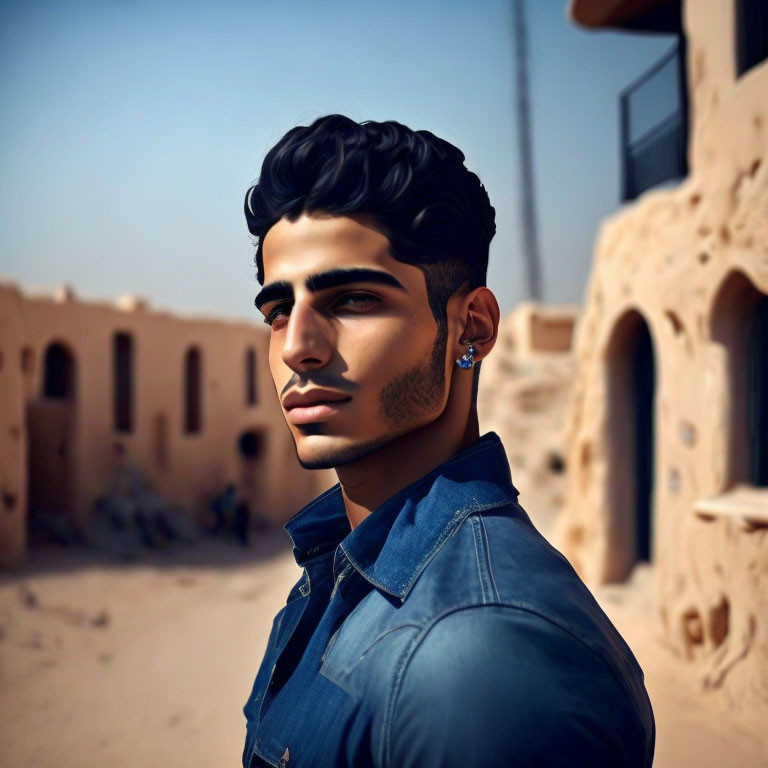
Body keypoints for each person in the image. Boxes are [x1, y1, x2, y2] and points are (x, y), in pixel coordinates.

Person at [240, 114, 655, 768]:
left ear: (472, 328)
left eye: (350, 300)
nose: (297, 348)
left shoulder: (484, 654)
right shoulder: (333, 570)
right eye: (277, 311)